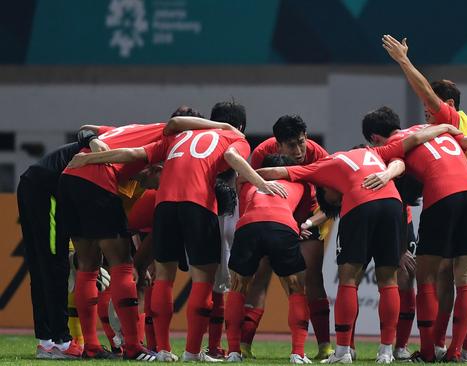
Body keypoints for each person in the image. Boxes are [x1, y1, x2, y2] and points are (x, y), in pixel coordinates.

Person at [67, 103, 285, 362]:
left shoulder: (176, 138)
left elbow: (134, 153)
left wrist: (89, 158)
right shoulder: (234, 136)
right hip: (197, 203)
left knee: (162, 278)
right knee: (203, 278)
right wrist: (262, 182)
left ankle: (161, 350)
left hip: (164, 206)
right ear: (240, 127)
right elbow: (232, 158)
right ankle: (193, 352)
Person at [257, 124, 462, 363]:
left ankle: (343, 351)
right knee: (388, 280)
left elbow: (277, 172)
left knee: (349, 278)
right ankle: (386, 352)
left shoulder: (323, 166)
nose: (334, 200)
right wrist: (445, 127)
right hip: (393, 204)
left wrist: (246, 177)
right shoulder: (373, 152)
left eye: (330, 198)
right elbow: (407, 152)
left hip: (361, 205)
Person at [362, 105, 467, 362]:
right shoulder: (432, 129)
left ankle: (429, 351)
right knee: (466, 277)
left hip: (442, 195)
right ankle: (458, 352)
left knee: (426, 275)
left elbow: (396, 168)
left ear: (375, 137)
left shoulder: (395, 145)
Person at [244, 114, 333, 360]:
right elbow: (249, 188)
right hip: (273, 218)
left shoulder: (319, 155)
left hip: (308, 217)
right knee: (260, 276)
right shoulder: (262, 153)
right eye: (291, 145)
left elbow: (332, 203)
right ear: (278, 145)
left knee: (313, 276)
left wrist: (305, 223)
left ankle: (325, 347)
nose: (299, 150)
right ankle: (243, 346)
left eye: (302, 142)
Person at [17, 128, 107, 359]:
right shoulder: (114, 143)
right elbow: (85, 130)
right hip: (46, 191)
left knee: (41, 268)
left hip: (35, 186)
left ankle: (46, 342)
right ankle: (61, 341)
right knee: (54, 265)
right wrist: (95, 141)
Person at [225, 154, 312, 364]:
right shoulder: (300, 184)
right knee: (295, 287)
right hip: (281, 226)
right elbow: (299, 220)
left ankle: (234, 352)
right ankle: (298, 354)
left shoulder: (245, 182)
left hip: (248, 227)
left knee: (238, 286)